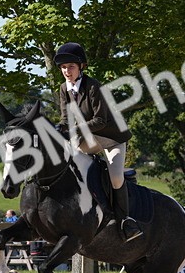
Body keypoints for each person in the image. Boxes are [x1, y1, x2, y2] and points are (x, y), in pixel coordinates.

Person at [54, 42, 142, 241]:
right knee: (66, 161)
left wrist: (74, 131)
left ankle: (125, 221)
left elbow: (100, 120)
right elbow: (65, 119)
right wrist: (58, 129)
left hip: (111, 138)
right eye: (63, 67)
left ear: (81, 67)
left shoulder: (93, 86)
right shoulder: (63, 88)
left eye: (71, 67)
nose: (66, 71)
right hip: (90, 139)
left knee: (116, 178)